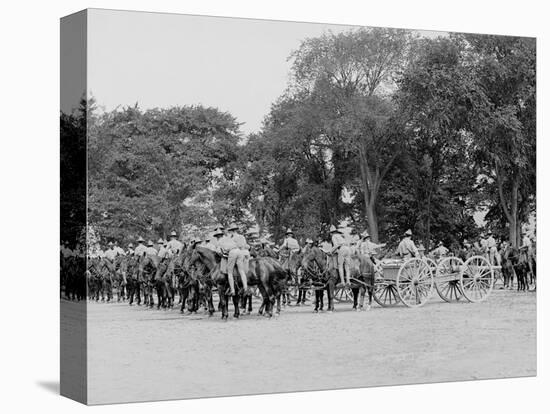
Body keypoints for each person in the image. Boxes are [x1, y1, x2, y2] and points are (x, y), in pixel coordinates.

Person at [224, 224, 250, 296]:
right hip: (240, 252)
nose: (230, 233)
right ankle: (245, 287)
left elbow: (226, 248)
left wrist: (226, 250)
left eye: (230, 231)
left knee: (229, 272)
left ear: (232, 231)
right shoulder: (241, 237)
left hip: (233, 252)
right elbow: (244, 245)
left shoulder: (230, 239)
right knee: (241, 271)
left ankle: (232, 290)